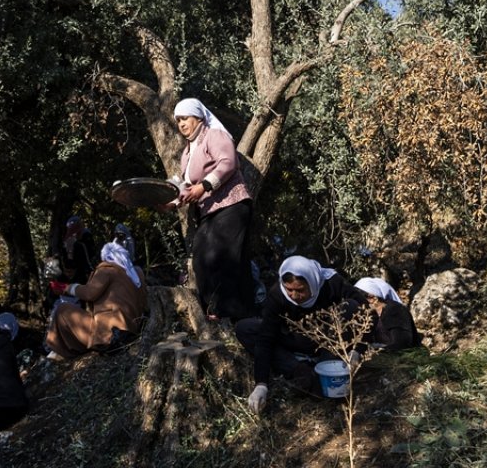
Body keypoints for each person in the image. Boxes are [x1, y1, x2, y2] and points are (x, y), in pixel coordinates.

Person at [235, 256, 367, 414]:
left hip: (329, 341)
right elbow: (266, 338)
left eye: (300, 290)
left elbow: (366, 311)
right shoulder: (277, 295)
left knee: (351, 306)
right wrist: (261, 384)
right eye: (289, 290)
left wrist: (358, 349)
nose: (294, 296)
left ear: (312, 282)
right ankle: (298, 369)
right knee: (245, 328)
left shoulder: (331, 283)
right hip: (294, 339)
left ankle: (324, 371)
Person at [166, 98, 255, 322]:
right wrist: (169, 201)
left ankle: (232, 315)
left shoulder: (214, 135)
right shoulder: (187, 152)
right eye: (178, 121)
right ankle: (214, 311)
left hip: (231, 206)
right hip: (209, 211)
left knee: (222, 257)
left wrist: (205, 186)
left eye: (184, 118)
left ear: (198, 117)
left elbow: (228, 162)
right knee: (201, 259)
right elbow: (185, 188)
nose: (181, 124)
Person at [45, 240, 148, 360]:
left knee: (63, 309)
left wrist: (68, 288)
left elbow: (89, 293)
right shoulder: (136, 272)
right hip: (131, 330)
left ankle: (57, 351)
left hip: (110, 334)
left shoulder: (107, 269)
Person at [354, 278, 419, 352]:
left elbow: (401, 344)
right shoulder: (368, 315)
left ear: (372, 298)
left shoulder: (395, 310)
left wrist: (375, 349)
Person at [59, 216, 97, 285]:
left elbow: (89, 255)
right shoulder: (70, 239)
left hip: (83, 272)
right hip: (73, 272)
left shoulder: (86, 236)